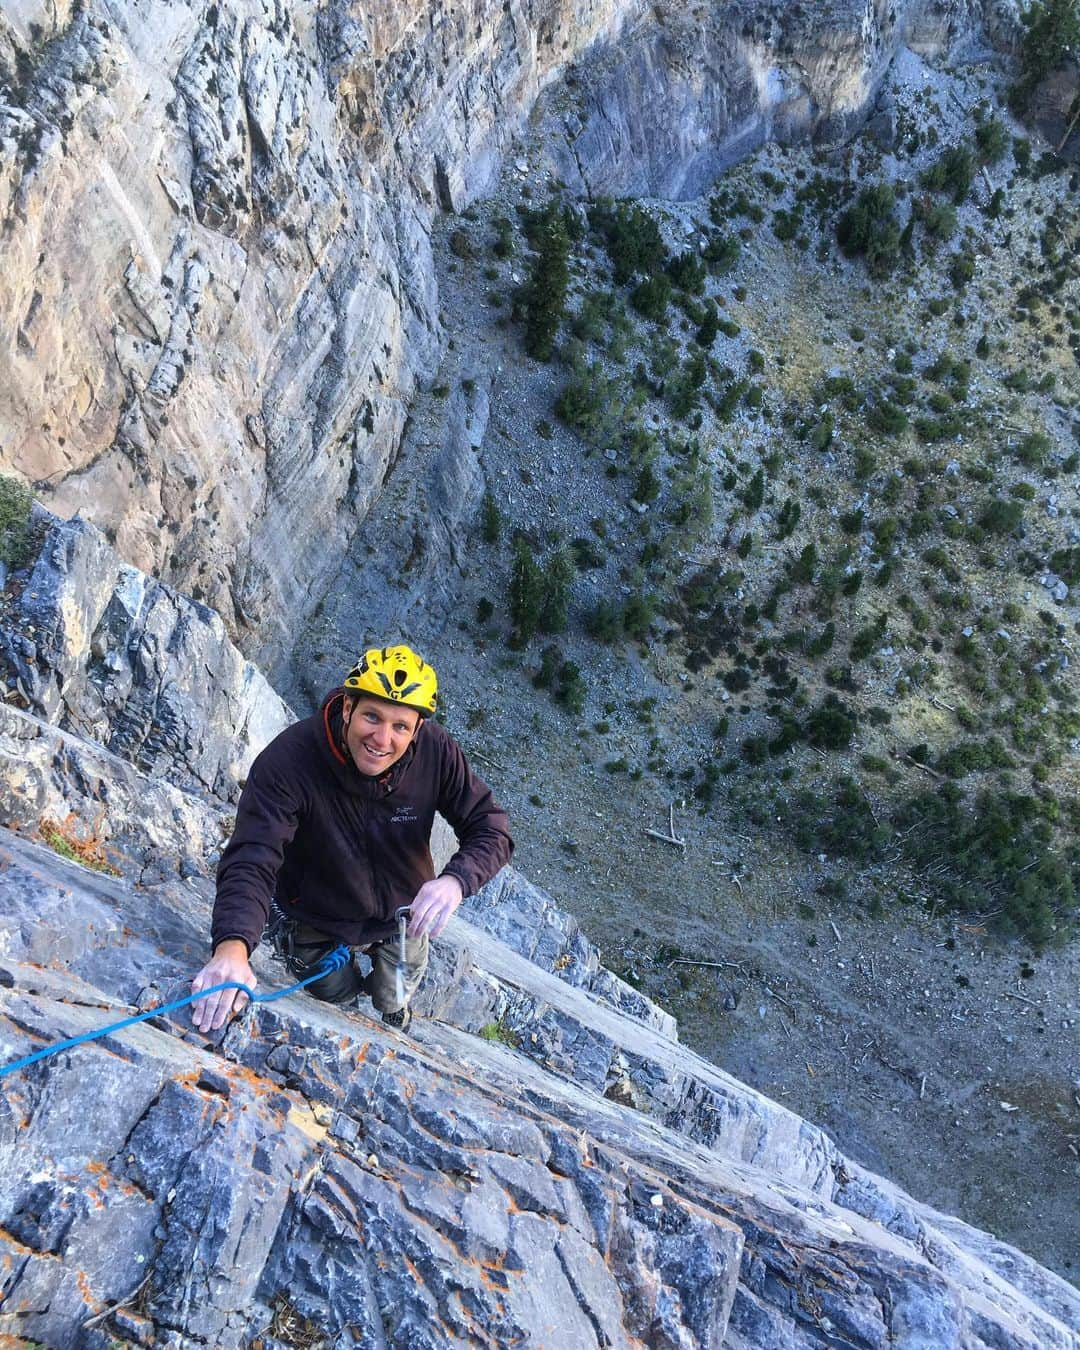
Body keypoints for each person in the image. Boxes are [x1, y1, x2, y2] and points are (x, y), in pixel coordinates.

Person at [190, 644, 513, 1034]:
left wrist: (455, 881)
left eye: (400, 727)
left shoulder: (436, 752)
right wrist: (233, 949)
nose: (382, 739)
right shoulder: (290, 763)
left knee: (391, 995)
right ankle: (335, 983)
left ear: (417, 731)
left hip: (400, 913)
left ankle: (393, 1009)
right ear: (347, 708)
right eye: (372, 717)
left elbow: (491, 827)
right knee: (333, 991)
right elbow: (253, 856)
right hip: (316, 913)